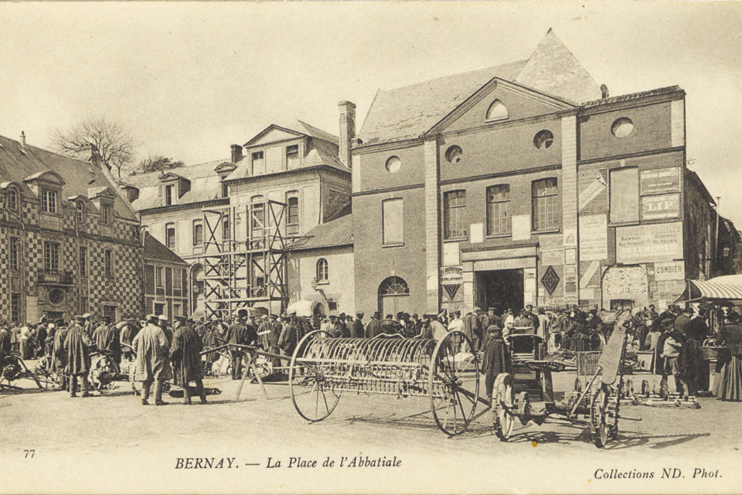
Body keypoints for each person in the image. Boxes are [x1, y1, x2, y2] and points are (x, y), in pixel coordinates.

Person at [133, 315, 172, 405]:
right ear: (155, 322)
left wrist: (138, 353)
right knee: (158, 377)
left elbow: (134, 343)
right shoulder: (158, 330)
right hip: (157, 356)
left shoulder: (142, 331)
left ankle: (143, 398)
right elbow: (164, 344)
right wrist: (164, 353)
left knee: (146, 377)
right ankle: (157, 399)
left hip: (144, 358)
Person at [170, 318, 207, 405]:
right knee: (198, 379)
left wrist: (172, 358)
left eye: (175, 322)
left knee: (184, 379)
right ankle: (203, 398)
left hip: (183, 359)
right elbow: (200, 345)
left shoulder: (177, 333)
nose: (174, 324)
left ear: (178, 323)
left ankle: (187, 399)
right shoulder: (192, 331)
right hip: (195, 358)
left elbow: (176, 349)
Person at [713, 312, 742, 401]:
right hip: (739, 351)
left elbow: (718, 341)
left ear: (728, 319)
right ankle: (739, 394)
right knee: (739, 372)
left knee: (727, 372)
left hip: (728, 351)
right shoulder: (740, 328)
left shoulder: (725, 328)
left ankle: (728, 394)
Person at [64, 315, 94, 398]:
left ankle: (72, 392)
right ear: (82, 322)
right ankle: (84, 392)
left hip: (71, 356)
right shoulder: (82, 330)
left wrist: (69, 351)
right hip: (81, 355)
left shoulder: (70, 331)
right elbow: (87, 342)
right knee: (83, 372)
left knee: (72, 373)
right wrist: (92, 345)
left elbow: (65, 345)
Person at [481, 326, 512, 405]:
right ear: (490, 333)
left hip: (498, 364)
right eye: (492, 332)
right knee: (489, 379)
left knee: (498, 379)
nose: (494, 334)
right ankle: (489, 395)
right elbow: (486, 355)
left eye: (496, 332)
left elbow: (504, 356)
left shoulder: (501, 343)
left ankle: (499, 396)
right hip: (490, 365)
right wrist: (485, 365)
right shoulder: (489, 342)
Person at [227, 316, 256, 380]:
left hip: (232, 347)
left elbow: (227, 337)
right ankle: (237, 376)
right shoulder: (242, 328)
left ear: (235, 320)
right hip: (239, 346)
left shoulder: (230, 327)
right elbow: (245, 339)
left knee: (233, 361)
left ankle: (233, 376)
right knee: (238, 360)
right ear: (240, 321)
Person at [52, 321, 69, 391]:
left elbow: (58, 345)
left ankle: (62, 385)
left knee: (60, 368)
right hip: (67, 353)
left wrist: (56, 353)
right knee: (67, 368)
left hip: (60, 354)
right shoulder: (68, 331)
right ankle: (68, 384)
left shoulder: (59, 332)